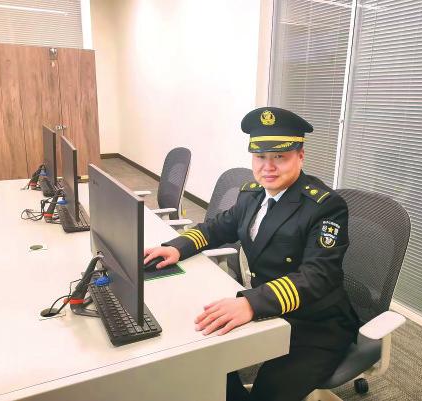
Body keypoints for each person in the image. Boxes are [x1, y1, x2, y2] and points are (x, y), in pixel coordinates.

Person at [144, 107, 359, 401]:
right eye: (260, 157)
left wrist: (251, 303)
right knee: (202, 358)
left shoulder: (324, 206)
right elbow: (216, 228)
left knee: (268, 392)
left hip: (316, 323)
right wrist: (177, 247)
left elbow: (317, 276)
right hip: (268, 306)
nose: (268, 167)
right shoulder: (252, 195)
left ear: (300, 156)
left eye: (279, 157)